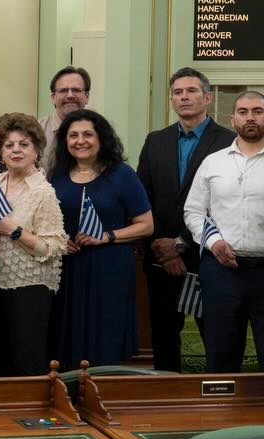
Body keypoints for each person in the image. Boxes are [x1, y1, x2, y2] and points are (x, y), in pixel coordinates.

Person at [137, 68, 233, 371]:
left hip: (209, 258)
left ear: (207, 97)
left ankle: (220, 395)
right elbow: (142, 200)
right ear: (172, 100)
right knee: (164, 338)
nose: (184, 97)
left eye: (191, 91)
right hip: (161, 260)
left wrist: (179, 244)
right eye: (177, 92)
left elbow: (227, 206)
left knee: (217, 339)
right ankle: (167, 393)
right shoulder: (155, 141)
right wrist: (160, 247)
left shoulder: (230, 142)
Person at [47, 109, 154, 369]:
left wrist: (107, 236)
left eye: (87, 134)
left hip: (109, 267)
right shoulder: (57, 176)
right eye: (73, 135)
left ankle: (102, 387)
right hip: (68, 268)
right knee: (67, 335)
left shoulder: (121, 174)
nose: (80, 141)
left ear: (101, 138)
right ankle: (69, 388)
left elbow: (147, 225)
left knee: (105, 332)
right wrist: (61, 241)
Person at [0, 113, 68, 376]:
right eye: (9, 145)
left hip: (30, 288)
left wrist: (14, 230)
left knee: (25, 361)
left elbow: (53, 247)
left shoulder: (43, 192)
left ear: (37, 150)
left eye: (24, 144)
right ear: (1, 151)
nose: (16, 150)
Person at [183, 90, 264, 372]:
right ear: (233, 119)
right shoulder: (213, 162)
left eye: (258, 111)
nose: (250, 117)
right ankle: (222, 401)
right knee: (221, 352)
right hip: (222, 270)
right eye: (243, 112)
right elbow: (194, 211)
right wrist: (213, 242)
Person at [40, 66, 91, 172]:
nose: (70, 95)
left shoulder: (100, 132)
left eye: (76, 90)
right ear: (53, 98)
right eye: (63, 90)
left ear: (86, 96)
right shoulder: (36, 130)